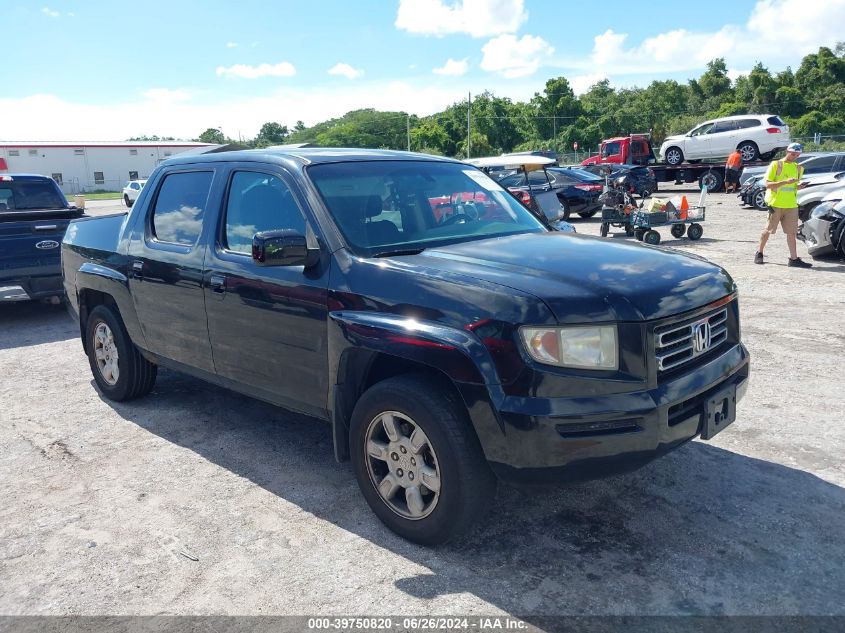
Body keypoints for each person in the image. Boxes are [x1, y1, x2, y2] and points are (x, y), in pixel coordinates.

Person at [754, 142, 812, 268]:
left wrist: (798, 186)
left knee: (791, 232)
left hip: (791, 205)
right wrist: (785, 182)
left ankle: (793, 259)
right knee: (768, 230)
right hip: (775, 203)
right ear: (787, 151)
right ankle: (759, 252)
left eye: (797, 154)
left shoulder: (798, 168)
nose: (795, 156)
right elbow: (768, 184)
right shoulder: (776, 164)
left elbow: (792, 187)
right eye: (793, 153)